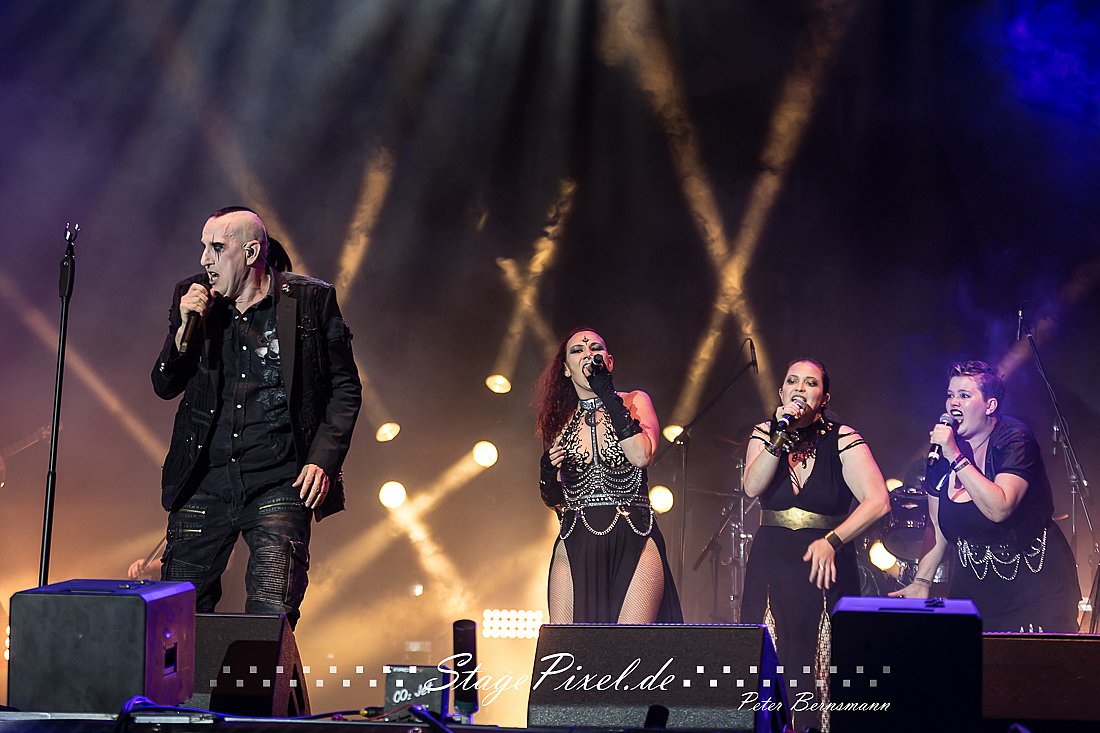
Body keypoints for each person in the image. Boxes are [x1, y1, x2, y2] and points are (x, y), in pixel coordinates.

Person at [152, 206, 361, 628]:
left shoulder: (310, 301)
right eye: (202, 248)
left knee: (270, 618)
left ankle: (261, 673)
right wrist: (183, 330)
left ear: (250, 252)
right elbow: (164, 384)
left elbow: (345, 388)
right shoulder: (192, 297)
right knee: (176, 621)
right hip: (204, 482)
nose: (204, 260)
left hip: (278, 481)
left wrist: (322, 459)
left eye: (216, 248)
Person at [890, 360, 1079, 632]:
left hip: (1033, 584)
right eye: (950, 395)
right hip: (974, 585)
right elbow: (937, 526)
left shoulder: (1014, 439)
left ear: (990, 405)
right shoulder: (941, 457)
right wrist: (922, 582)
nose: (953, 403)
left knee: (1034, 659)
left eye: (964, 395)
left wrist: (956, 456)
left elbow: (999, 508)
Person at [741, 358, 889, 689]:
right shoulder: (765, 433)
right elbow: (752, 487)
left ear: (823, 398)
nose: (800, 388)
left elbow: (878, 500)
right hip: (772, 562)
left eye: (811, 383)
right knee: (769, 659)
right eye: (792, 381)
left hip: (825, 565)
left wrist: (833, 540)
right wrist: (779, 436)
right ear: (781, 392)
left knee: (823, 664)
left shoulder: (842, 437)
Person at [535, 327, 682, 624]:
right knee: (567, 644)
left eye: (596, 348)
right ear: (566, 369)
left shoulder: (635, 401)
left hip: (633, 535)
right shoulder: (559, 422)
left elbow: (641, 456)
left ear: (609, 362)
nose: (588, 354)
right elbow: (559, 503)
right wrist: (547, 476)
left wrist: (606, 393)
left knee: (626, 645)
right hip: (577, 539)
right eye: (577, 350)